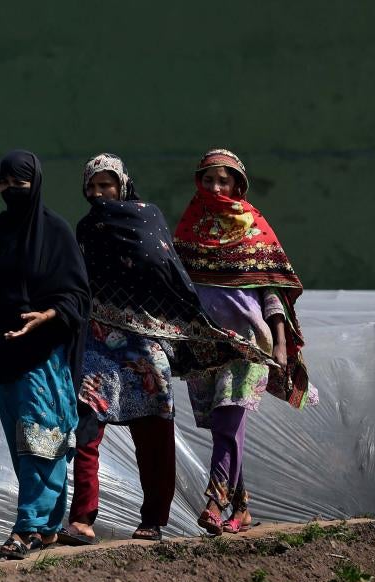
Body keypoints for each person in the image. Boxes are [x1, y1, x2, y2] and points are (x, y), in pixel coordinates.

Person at [60, 154, 269, 545]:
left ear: (122, 184)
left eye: (106, 185)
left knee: (154, 433)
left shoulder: (148, 217)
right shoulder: (86, 228)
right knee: (87, 426)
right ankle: (83, 518)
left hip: (147, 342)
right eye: (92, 186)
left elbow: (167, 268)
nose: (98, 193)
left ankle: (154, 518)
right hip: (100, 340)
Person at [174, 149, 316, 535]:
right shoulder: (188, 228)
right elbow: (179, 288)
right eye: (208, 180)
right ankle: (242, 507)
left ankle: (214, 501)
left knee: (227, 419)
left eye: (224, 181)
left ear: (239, 185)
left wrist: (282, 344)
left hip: (250, 344)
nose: (215, 187)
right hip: (204, 345)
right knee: (226, 426)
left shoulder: (255, 227)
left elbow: (272, 291)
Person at [0, 150, 91, 559]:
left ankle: (26, 526)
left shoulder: (56, 232)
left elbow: (78, 294)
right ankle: (46, 526)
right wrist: (9, 309)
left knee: (39, 436)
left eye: (19, 182)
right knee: (21, 440)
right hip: (4, 349)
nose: (10, 189)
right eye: (3, 182)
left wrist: (47, 314)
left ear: (36, 183)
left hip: (43, 350)